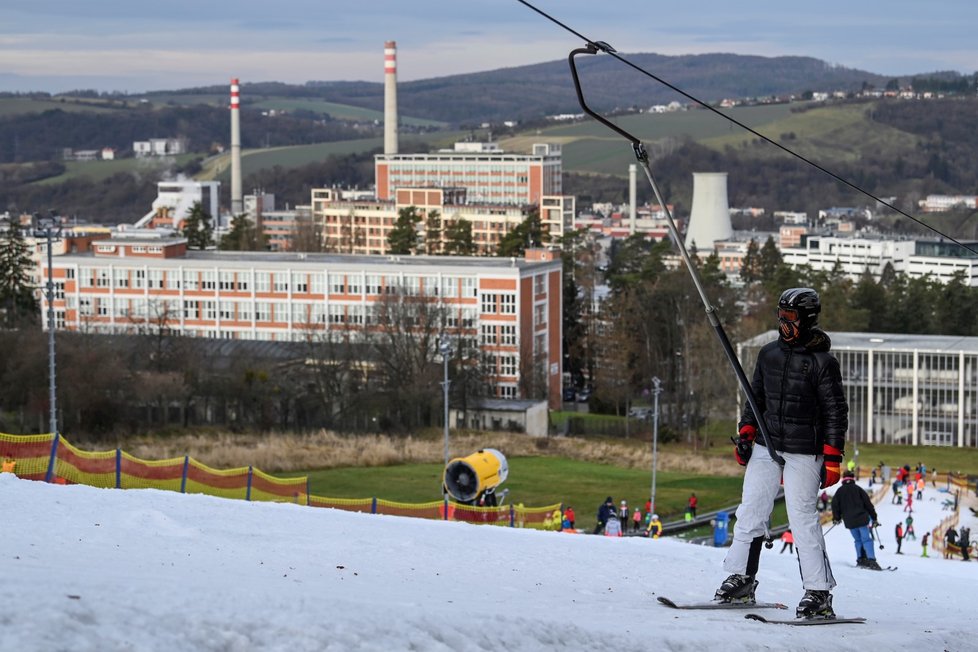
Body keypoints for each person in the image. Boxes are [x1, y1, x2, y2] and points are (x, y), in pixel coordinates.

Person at [716, 288, 847, 619]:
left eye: (790, 319)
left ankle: (818, 593)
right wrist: (747, 433)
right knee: (750, 511)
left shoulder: (823, 363)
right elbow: (755, 397)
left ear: (807, 321)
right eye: (781, 317)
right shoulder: (769, 354)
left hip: (804, 451)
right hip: (766, 444)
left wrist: (832, 457)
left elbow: (835, 411)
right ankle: (742, 578)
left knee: (802, 519)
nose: (783, 324)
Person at [830, 470, 882, 570]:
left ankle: (861, 559)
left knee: (858, 540)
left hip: (849, 521)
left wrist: (836, 518)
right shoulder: (858, 489)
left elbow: (835, 505)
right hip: (861, 519)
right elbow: (868, 505)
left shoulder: (839, 491)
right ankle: (871, 561)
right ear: (853, 478)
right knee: (866, 539)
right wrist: (874, 518)